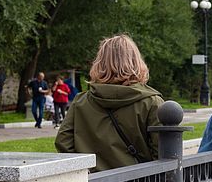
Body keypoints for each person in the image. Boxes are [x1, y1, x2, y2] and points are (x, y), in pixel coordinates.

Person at [56, 34, 162, 171]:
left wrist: (86, 172)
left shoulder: (80, 102)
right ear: (136, 62)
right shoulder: (152, 103)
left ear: (99, 63)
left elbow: (63, 142)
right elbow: (163, 154)